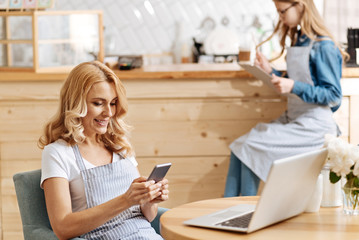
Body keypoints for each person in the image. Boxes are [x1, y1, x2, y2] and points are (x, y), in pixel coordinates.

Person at [224, 0, 348, 197]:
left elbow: (333, 96)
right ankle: (228, 209)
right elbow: (298, 81)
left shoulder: (323, 46)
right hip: (296, 117)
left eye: (282, 11)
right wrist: (270, 71)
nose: (280, 17)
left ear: (300, 6)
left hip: (315, 127)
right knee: (240, 146)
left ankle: (243, 211)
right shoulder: (301, 40)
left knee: (250, 147)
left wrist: (293, 85)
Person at [38, 61, 169, 240]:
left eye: (113, 103)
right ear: (76, 103)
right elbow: (63, 227)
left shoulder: (120, 145)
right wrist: (126, 200)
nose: (109, 113)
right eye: (98, 103)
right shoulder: (58, 153)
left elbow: (149, 216)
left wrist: (149, 200)